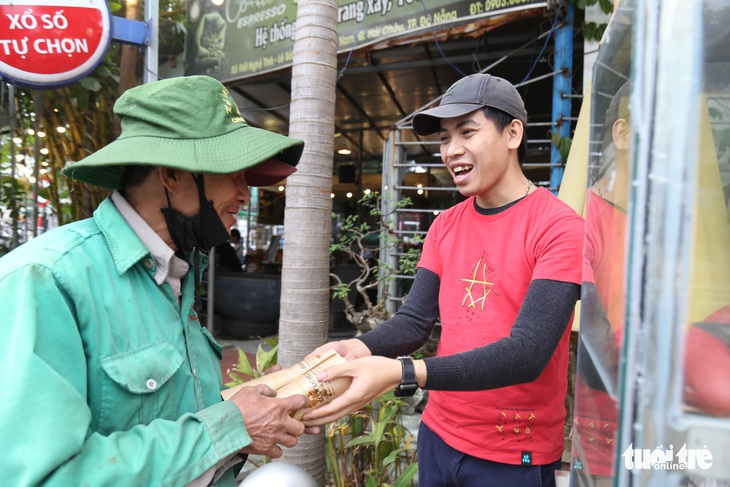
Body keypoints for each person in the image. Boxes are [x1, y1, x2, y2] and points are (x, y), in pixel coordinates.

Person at [0, 75, 317, 486]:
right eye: (233, 170)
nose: (245, 193)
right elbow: (43, 476)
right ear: (170, 174)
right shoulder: (47, 279)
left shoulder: (177, 269)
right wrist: (229, 428)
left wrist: (255, 409)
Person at [303, 73, 584, 486]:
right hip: (438, 435)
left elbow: (528, 353)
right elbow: (414, 322)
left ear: (513, 133)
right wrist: (355, 347)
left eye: (467, 132)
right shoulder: (445, 226)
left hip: (511, 451)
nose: (452, 151)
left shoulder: (559, 227)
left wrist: (402, 373)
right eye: (444, 139)